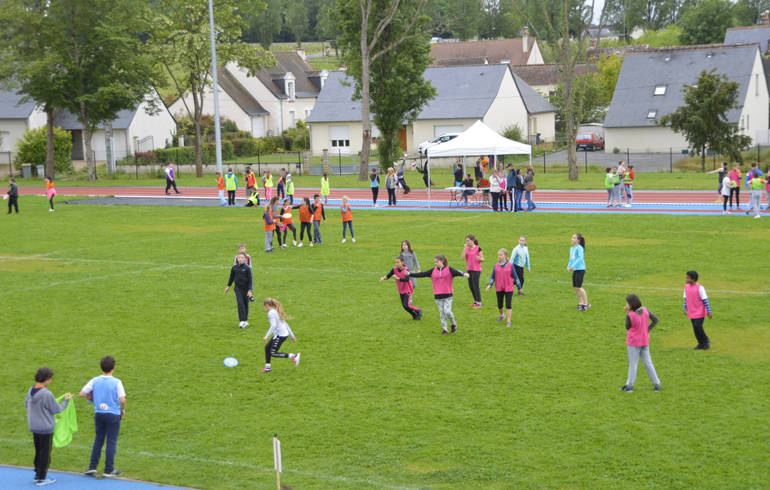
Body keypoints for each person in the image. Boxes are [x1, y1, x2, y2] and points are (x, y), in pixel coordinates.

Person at [79, 355, 126, 478]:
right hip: (113, 415)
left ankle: (92, 467)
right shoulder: (117, 382)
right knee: (111, 441)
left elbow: (82, 393)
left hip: (99, 413)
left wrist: (92, 397)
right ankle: (108, 469)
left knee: (98, 439)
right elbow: (122, 399)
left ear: (101, 367)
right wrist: (123, 409)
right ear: (113, 367)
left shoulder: (95, 380)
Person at [26, 367, 72, 486]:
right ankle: (42, 477)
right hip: (45, 428)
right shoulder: (47, 394)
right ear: (46, 379)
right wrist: (66, 401)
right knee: (45, 453)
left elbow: (27, 405)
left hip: (34, 426)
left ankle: (37, 474)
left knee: (38, 451)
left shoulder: (30, 390)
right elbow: (57, 409)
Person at [407, 255, 469, 335]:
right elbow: (422, 274)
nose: (435, 263)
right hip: (437, 296)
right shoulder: (433, 271)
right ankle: (445, 329)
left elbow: (458, 272)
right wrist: (410, 274)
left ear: (442, 261)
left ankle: (453, 323)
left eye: (437, 262)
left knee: (447, 311)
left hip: (448, 296)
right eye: (435, 262)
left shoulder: (449, 269)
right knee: (441, 313)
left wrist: (464, 274)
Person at [620, 294, 661, 393]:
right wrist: (647, 330)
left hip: (633, 342)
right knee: (648, 363)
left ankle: (629, 386)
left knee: (633, 364)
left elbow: (627, 327)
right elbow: (655, 320)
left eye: (627, 303)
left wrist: (627, 313)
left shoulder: (630, 315)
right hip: (644, 340)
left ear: (631, 304)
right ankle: (657, 384)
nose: (626, 305)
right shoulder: (645, 310)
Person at [262, 297, 300, 373]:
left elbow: (273, 326)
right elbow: (286, 324)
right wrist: (292, 336)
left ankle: (293, 356)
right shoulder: (276, 311)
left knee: (273, 353)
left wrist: (267, 336)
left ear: (266, 305)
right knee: (267, 348)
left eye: (264, 306)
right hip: (281, 334)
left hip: (281, 335)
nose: (264, 308)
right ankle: (267, 368)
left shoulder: (271, 313)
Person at [485, 248, 521, 327]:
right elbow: (492, 277)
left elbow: (516, 277)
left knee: (508, 304)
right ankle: (502, 315)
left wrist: (519, 287)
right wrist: (489, 285)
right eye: (499, 255)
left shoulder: (510, 265)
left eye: (501, 255)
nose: (499, 256)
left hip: (509, 288)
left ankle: (508, 320)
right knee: (499, 305)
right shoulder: (496, 265)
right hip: (499, 287)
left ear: (505, 256)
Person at [683, 270, 712, 350]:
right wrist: (685, 308)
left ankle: (706, 341)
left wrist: (709, 311)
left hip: (700, 311)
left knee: (698, 326)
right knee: (695, 328)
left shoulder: (700, 288)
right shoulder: (686, 287)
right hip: (692, 311)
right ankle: (700, 343)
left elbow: (705, 300)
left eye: (688, 278)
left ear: (693, 279)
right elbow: (686, 299)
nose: (686, 279)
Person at [225, 252, 254, 327]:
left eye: (242, 258)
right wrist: (228, 286)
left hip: (246, 289)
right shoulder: (234, 268)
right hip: (238, 289)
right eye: (239, 258)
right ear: (237, 259)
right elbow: (231, 277)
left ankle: (245, 320)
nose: (240, 259)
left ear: (245, 259)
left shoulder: (247, 268)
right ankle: (242, 321)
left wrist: (250, 290)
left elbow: (250, 280)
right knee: (240, 304)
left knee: (245, 304)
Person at [568, 233, 590, 311]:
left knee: (579, 287)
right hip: (575, 269)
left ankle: (586, 303)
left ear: (578, 240)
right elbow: (571, 259)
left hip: (580, 269)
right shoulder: (572, 248)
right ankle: (580, 303)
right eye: (572, 237)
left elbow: (580, 258)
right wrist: (569, 267)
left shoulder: (579, 248)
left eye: (574, 238)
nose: (572, 239)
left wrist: (573, 266)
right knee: (575, 287)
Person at [461, 234, 484, 309]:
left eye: (468, 241)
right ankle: (475, 301)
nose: (467, 242)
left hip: (476, 270)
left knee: (475, 286)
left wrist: (479, 258)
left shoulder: (478, 248)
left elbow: (483, 259)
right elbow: (462, 258)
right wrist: (464, 249)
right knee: (471, 286)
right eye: (466, 241)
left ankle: (479, 303)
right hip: (469, 269)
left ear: (473, 241)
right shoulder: (466, 248)